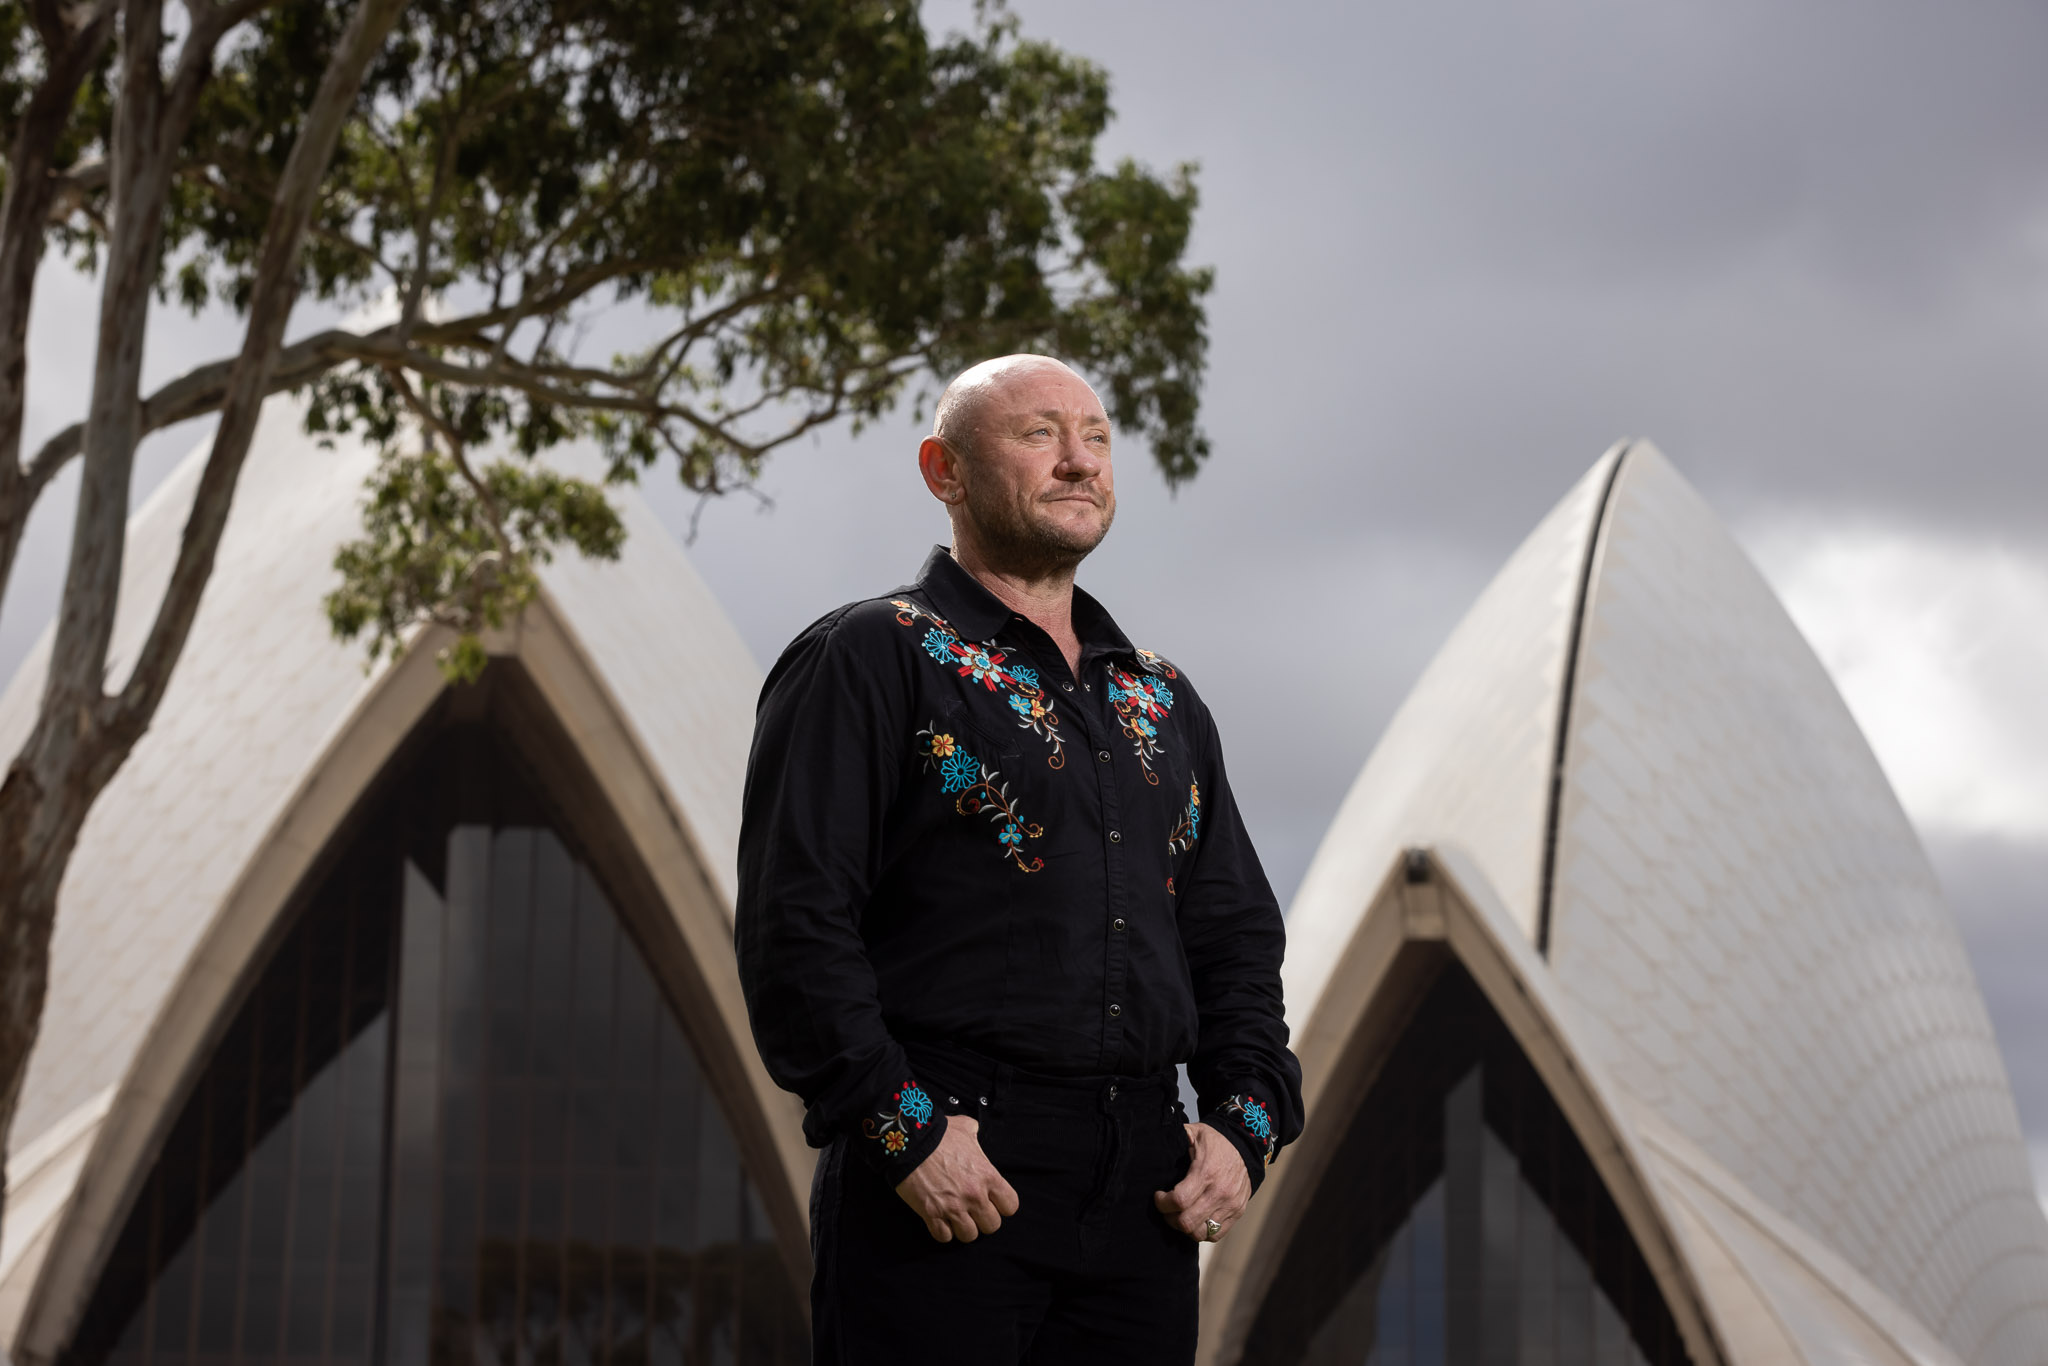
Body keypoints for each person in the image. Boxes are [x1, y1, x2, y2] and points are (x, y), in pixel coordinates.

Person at [736, 354, 1302, 1363]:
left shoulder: (1162, 701)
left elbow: (1234, 938)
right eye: (1038, 433)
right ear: (942, 470)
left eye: (1094, 437)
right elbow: (796, 923)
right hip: (951, 1164)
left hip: (1145, 1194)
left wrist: (1242, 1127)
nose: (1077, 461)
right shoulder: (872, 654)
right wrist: (901, 1129)